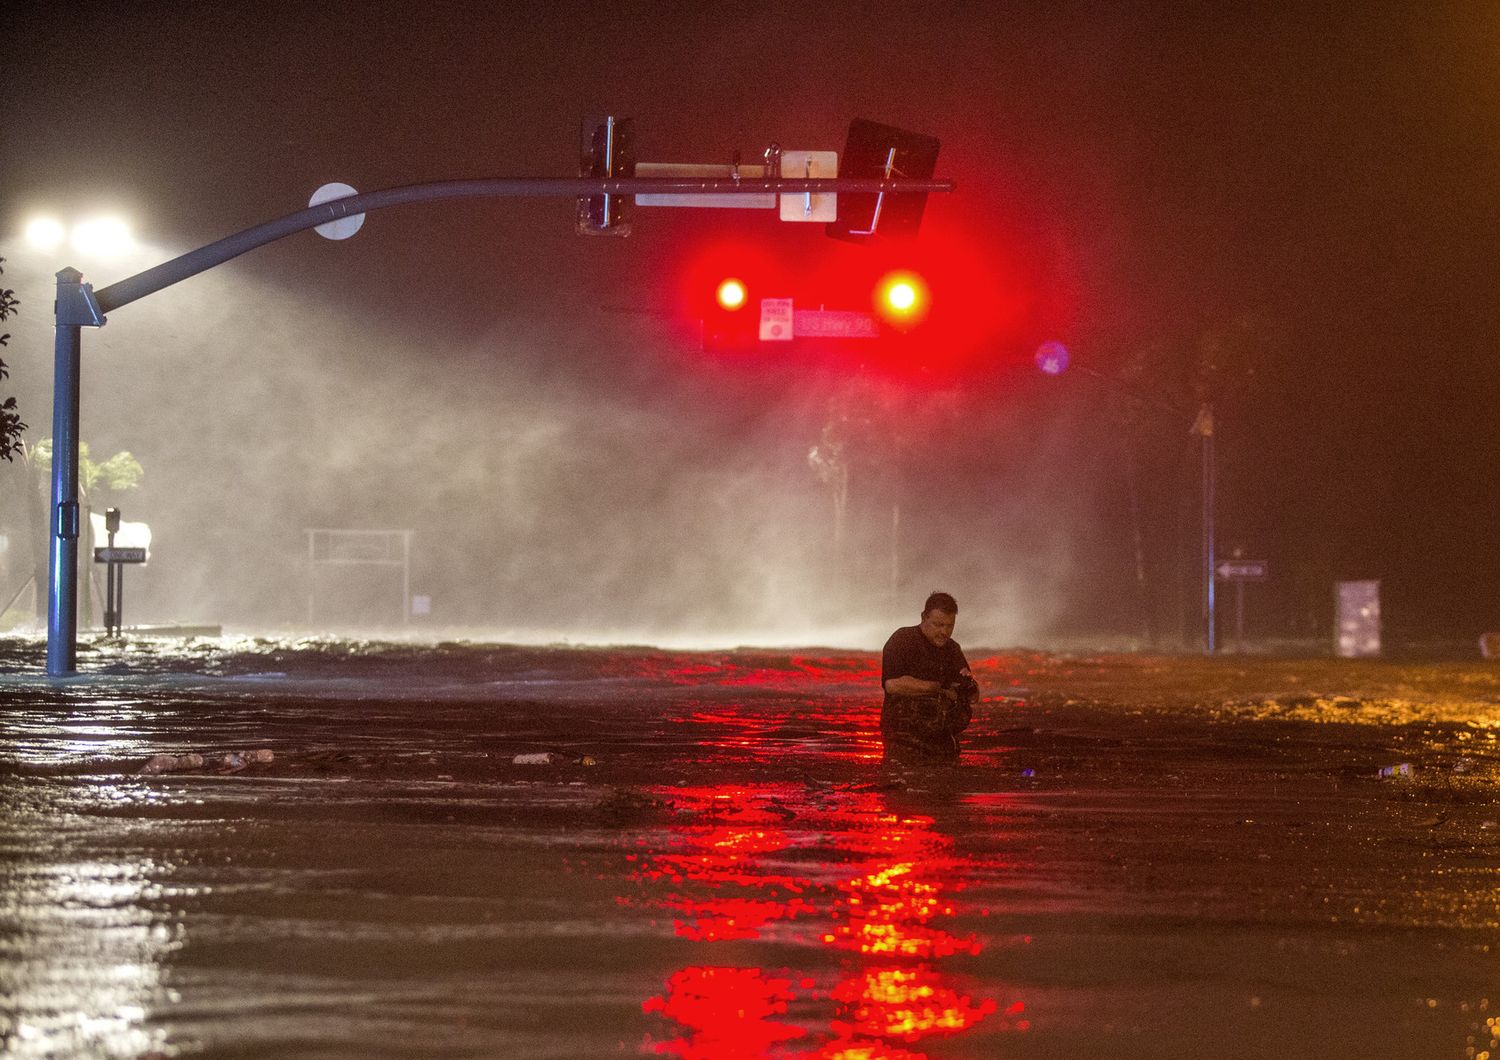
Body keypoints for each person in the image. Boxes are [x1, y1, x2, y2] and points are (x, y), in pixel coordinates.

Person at [880, 591, 980, 762]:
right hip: (904, 742)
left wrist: (970, 688)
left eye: (949, 626)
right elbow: (893, 685)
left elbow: (971, 693)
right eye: (938, 625)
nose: (944, 632)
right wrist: (938, 687)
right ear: (923, 617)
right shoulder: (903, 640)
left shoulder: (952, 649)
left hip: (943, 742)